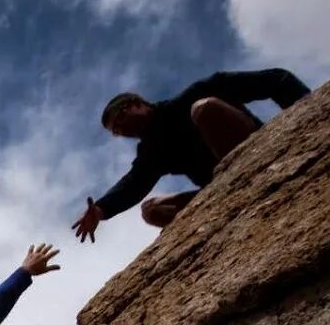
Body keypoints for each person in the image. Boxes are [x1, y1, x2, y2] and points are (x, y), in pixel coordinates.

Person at [71, 68, 311, 240]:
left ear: (137, 103)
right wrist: (100, 210)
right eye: (116, 132)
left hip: (260, 150)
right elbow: (134, 183)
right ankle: (216, 228)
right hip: (223, 187)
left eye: (120, 121)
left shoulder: (195, 94)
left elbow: (276, 80)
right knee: (152, 210)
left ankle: (247, 168)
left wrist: (313, 113)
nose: (122, 131)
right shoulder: (153, 150)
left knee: (204, 109)